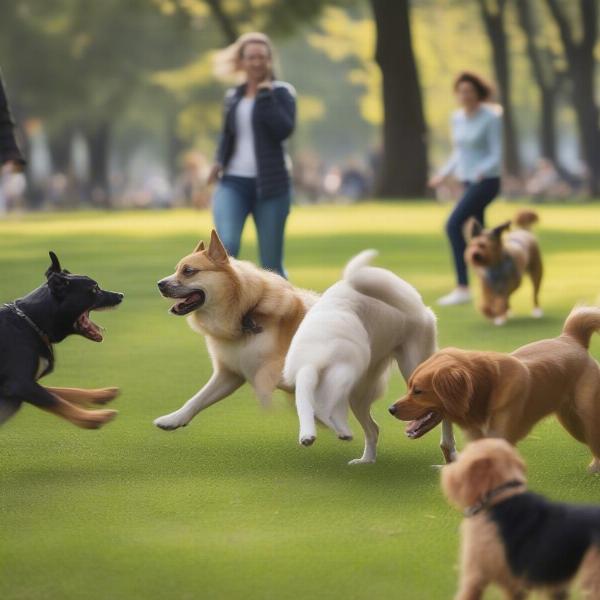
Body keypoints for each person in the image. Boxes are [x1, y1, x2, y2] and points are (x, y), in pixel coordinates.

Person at [207, 32, 295, 277]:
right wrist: (217, 162)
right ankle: (227, 312)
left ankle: (291, 314)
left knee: (271, 264)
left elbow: (283, 130)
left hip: (272, 186)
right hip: (233, 182)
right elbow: (228, 135)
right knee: (226, 249)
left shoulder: (282, 93)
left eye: (262, 57)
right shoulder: (233, 96)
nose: (257, 62)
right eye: (251, 57)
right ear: (242, 61)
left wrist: (265, 96)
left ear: (269, 60)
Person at [429, 71, 502, 306]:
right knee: (481, 236)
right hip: (468, 181)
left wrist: (483, 169)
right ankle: (495, 284)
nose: (465, 95)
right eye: (461, 91)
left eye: (469, 91)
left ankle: (463, 286)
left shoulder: (491, 117)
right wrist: (443, 173)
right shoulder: (457, 118)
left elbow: (496, 153)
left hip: (487, 181)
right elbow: (459, 152)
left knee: (453, 225)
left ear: (478, 93)